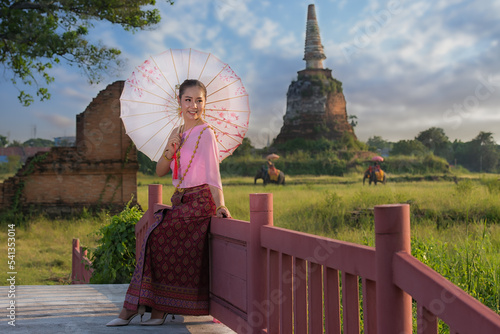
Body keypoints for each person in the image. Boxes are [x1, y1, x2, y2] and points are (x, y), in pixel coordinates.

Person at [106, 79, 231, 326]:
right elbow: (161, 170)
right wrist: (171, 148)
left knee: (156, 236)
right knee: (156, 238)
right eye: (188, 100)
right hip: (180, 201)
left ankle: (138, 309)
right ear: (179, 102)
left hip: (199, 202)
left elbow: (214, 174)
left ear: (205, 104)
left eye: (199, 100)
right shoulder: (178, 134)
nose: (193, 106)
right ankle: (149, 308)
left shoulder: (206, 133)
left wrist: (221, 205)